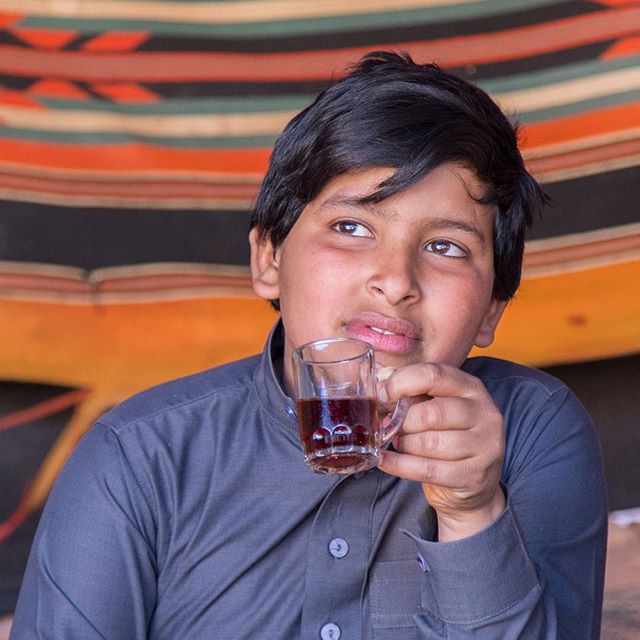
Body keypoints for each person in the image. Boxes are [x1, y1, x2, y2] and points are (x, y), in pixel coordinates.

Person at [10, 51, 607, 639]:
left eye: (446, 247)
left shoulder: (529, 432)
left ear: (491, 312)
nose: (396, 280)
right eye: (351, 228)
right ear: (269, 259)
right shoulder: (141, 458)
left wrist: (473, 512)